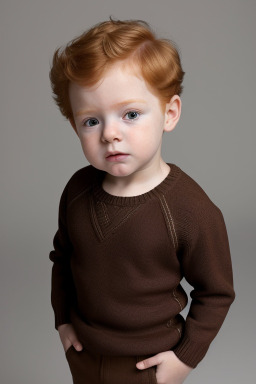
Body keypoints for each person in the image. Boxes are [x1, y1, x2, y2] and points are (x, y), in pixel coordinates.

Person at [49, 17, 235, 384]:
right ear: (74, 126)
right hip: (85, 353)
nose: (110, 134)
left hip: (145, 364)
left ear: (169, 113)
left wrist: (185, 359)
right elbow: (63, 259)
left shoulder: (188, 209)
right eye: (91, 121)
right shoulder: (77, 191)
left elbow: (216, 292)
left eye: (130, 114)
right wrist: (63, 321)